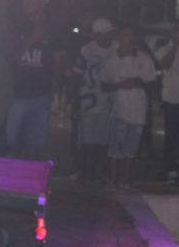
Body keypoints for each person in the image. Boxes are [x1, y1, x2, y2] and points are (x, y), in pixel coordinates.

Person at [4, 0, 65, 159]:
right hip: (16, 94)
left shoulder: (54, 29)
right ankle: (9, 173)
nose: (25, 3)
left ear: (42, 4)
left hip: (41, 96)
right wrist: (33, 39)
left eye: (30, 0)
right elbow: (11, 57)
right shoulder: (16, 25)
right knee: (9, 141)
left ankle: (31, 174)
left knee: (35, 143)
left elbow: (58, 63)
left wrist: (53, 91)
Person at [101, 25, 157, 188]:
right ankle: (113, 178)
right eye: (125, 35)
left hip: (138, 110)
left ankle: (125, 179)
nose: (129, 38)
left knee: (131, 147)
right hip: (118, 110)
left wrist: (139, 82)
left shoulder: (144, 59)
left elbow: (152, 83)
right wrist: (120, 85)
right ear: (118, 37)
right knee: (115, 146)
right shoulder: (111, 60)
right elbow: (104, 85)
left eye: (132, 35)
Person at [72, 18, 117, 183]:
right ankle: (85, 170)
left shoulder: (116, 48)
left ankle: (97, 170)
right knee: (87, 140)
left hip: (109, 102)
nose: (109, 36)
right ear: (98, 35)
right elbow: (77, 74)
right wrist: (75, 99)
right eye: (106, 34)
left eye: (110, 33)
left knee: (103, 141)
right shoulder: (87, 50)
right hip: (89, 101)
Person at [157, 23, 179, 185]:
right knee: (171, 136)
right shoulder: (164, 49)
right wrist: (175, 46)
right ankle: (171, 170)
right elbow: (165, 64)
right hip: (171, 100)